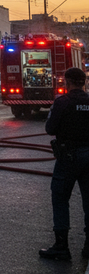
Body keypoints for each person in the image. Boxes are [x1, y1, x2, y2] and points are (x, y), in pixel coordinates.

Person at [39, 67, 89, 261]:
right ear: (83, 82)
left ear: (68, 82)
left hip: (68, 157)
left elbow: (49, 128)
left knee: (60, 198)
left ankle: (61, 246)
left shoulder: (62, 102)